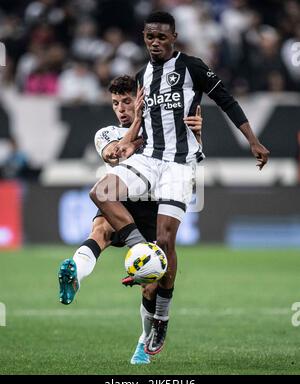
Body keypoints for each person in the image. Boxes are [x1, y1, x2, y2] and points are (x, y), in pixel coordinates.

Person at [89, 11, 270, 356]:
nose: (155, 43)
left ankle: (161, 317)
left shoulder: (193, 67)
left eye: (161, 37)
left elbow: (227, 100)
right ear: (144, 38)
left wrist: (253, 140)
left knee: (167, 238)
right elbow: (142, 126)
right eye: (149, 37)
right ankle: (142, 249)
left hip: (179, 164)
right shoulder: (143, 77)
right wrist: (126, 144)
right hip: (149, 158)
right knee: (101, 192)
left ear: (174, 36)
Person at [58, 74, 203, 364]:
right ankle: (74, 279)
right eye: (116, 103)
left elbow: (190, 158)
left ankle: (143, 343)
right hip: (122, 205)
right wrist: (140, 125)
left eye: (127, 101)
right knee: (100, 229)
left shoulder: (166, 129)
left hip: (154, 210)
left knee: (151, 284)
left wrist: (196, 134)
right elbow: (114, 156)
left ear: (142, 100)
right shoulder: (107, 132)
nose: (122, 108)